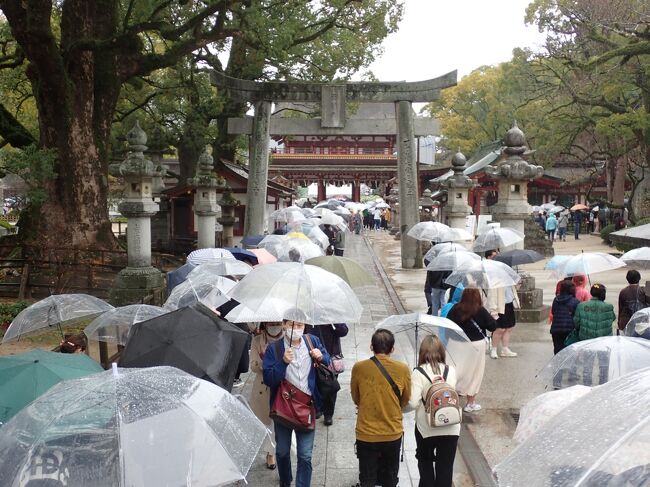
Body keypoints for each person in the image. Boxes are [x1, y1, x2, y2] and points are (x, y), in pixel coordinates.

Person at [263, 315, 330, 487]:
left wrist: (321, 356)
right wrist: (283, 362)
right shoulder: (275, 348)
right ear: (284, 325)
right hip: (283, 407)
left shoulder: (311, 341)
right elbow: (269, 379)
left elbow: (327, 359)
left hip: (307, 406)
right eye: (292, 324)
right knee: (283, 452)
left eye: (300, 324)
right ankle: (285, 480)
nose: (296, 327)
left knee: (305, 455)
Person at [350, 329, 411, 487]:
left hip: (366, 433)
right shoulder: (403, 369)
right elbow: (405, 400)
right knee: (390, 478)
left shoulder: (359, 368)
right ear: (392, 349)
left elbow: (356, 397)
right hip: (392, 432)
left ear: (371, 347)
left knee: (367, 478)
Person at [408, 335, 460, 487]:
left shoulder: (419, 372)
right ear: (441, 351)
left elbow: (412, 402)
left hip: (426, 427)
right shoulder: (451, 370)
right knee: (446, 466)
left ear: (422, 352)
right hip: (451, 427)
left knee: (425, 462)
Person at [447, 288, 497, 412]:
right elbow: (492, 326)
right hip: (475, 346)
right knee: (475, 373)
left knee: (453, 371)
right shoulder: (480, 310)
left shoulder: (455, 309)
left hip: (455, 343)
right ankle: (470, 403)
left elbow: (447, 324)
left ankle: (449, 399)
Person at [249, 322, 284, 469]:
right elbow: (253, 365)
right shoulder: (257, 341)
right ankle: (271, 453)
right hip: (263, 387)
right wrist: (266, 361)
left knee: (281, 422)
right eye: (271, 324)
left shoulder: (287, 340)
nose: (275, 326)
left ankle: (281, 451)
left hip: (283, 386)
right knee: (268, 422)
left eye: (278, 323)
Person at [304, 323, 349, 425]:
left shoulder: (332, 314)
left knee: (330, 385)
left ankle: (328, 414)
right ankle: (318, 408)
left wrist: (334, 322)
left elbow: (344, 331)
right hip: (312, 354)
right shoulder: (309, 315)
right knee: (314, 383)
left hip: (331, 356)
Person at [550, 281, 580, 354]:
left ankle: (558, 365)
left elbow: (553, 312)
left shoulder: (556, 299)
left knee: (558, 351)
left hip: (556, 329)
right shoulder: (576, 301)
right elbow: (577, 317)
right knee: (569, 352)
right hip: (569, 330)